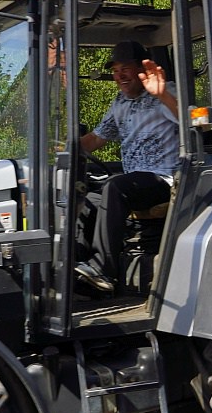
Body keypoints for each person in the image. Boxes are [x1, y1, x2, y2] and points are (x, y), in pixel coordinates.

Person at [73, 40, 179, 293]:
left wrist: (161, 95)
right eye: (115, 69)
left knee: (115, 186)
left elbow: (190, 121)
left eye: (126, 68)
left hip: (163, 179)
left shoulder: (167, 93)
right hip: (135, 181)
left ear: (143, 69)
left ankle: (103, 269)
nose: (119, 74)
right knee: (88, 199)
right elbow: (97, 138)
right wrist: (60, 152)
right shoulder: (120, 102)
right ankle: (77, 268)